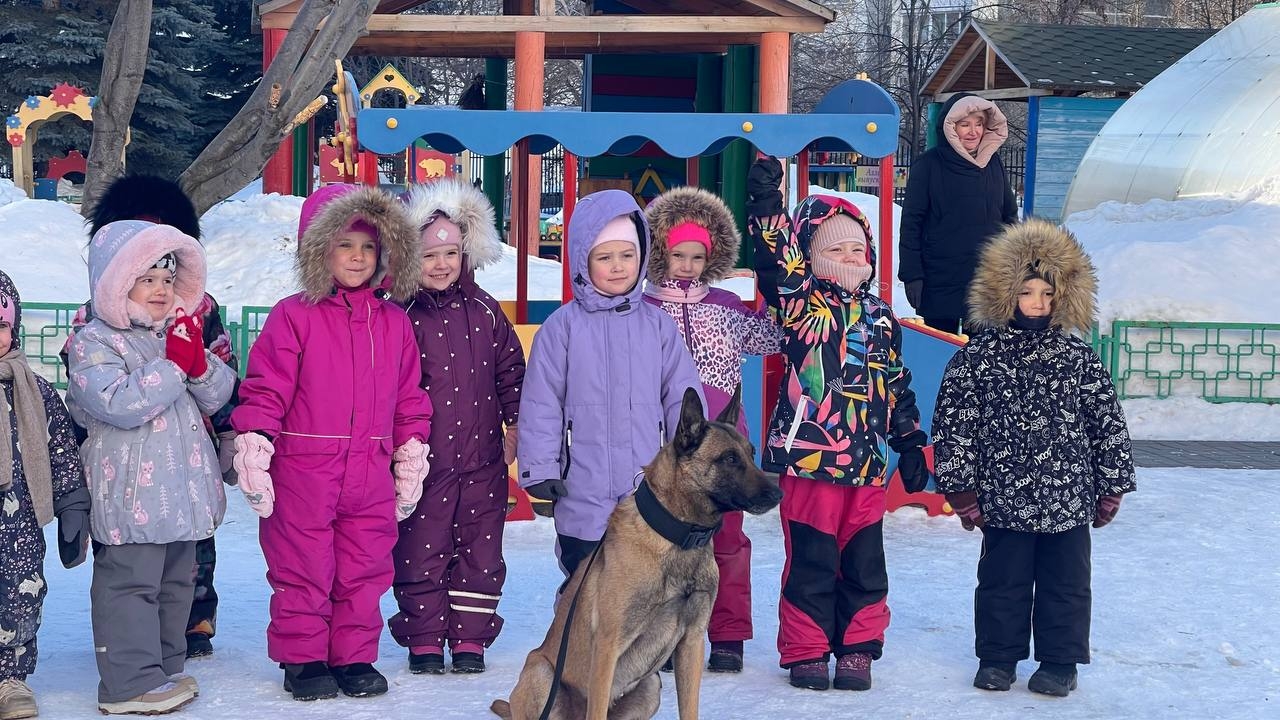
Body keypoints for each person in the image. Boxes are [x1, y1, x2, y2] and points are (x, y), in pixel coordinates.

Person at [230, 184, 432, 701]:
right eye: (345, 245)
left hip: (371, 471)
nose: (358, 258)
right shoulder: (293, 317)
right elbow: (267, 387)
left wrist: (410, 454)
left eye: (368, 247)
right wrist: (255, 443)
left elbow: (409, 396)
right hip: (305, 472)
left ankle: (354, 655)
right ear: (320, 250)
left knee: (364, 568)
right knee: (304, 567)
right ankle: (303, 657)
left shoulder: (393, 323)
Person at [931, 218, 1136, 697]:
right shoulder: (977, 359)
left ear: (1064, 297)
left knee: (1066, 584)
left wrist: (1111, 485)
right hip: (1004, 498)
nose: (1038, 304)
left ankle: (1060, 662)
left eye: (1048, 294)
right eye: (1027, 293)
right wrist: (961, 490)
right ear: (1005, 294)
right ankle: (998, 657)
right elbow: (955, 426)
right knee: (1003, 582)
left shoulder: (1077, 357)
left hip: (1067, 498)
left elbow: (1106, 422)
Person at [746, 158, 929, 692]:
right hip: (810, 457)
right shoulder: (803, 306)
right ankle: (806, 649)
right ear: (810, 257)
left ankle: (857, 647)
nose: (850, 257)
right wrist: (767, 207)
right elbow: (779, 261)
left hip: (868, 464)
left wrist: (911, 439)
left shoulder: (880, 316)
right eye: (835, 248)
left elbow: (895, 381)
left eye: (858, 249)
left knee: (865, 561)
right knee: (811, 559)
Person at [60, 174, 239, 659]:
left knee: (190, 542)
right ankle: (131, 646)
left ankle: (193, 620)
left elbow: (221, 367)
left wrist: (229, 434)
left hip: (189, 446)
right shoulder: (94, 319)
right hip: (126, 455)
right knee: (132, 549)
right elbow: (91, 393)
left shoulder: (199, 309)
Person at [517, 189, 703, 580]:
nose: (617, 267)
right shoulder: (562, 329)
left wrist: (690, 457)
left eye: (627, 255)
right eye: (604, 257)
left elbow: (681, 397)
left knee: (649, 576)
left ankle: (648, 642)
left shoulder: (658, 327)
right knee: (585, 574)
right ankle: (575, 640)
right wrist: (541, 466)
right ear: (583, 262)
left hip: (648, 481)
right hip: (582, 480)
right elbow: (542, 402)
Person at [642, 186, 783, 673]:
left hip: (725, 448)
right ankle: (663, 636)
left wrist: (774, 286)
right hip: (668, 448)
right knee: (664, 543)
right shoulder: (645, 308)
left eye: (697, 256)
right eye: (677, 254)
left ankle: (727, 634)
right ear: (660, 253)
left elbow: (770, 337)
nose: (686, 264)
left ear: (712, 256)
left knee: (727, 541)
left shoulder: (725, 304)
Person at [390, 178, 525, 676]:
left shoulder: (486, 312)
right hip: (422, 464)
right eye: (428, 256)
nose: (441, 265)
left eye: (450, 254)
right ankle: (424, 638)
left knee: (481, 552)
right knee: (420, 551)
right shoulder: (399, 315)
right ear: (409, 260)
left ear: (466, 254)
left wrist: (516, 425)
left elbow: (511, 372)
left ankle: (470, 639)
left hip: (483, 460)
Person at [0, 271, 90, 720]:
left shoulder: (34, 389)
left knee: (20, 594)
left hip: (19, 524)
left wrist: (73, 503)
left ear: (12, 327)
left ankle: (10, 677)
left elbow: (61, 450)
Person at [898, 92, 1019, 334]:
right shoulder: (929, 165)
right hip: (940, 280)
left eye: (979, 124)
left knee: (983, 358)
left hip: (986, 278)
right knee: (941, 355)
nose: (973, 132)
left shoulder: (993, 164)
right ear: (950, 127)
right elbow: (912, 223)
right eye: (965, 125)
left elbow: (1009, 216)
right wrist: (913, 275)